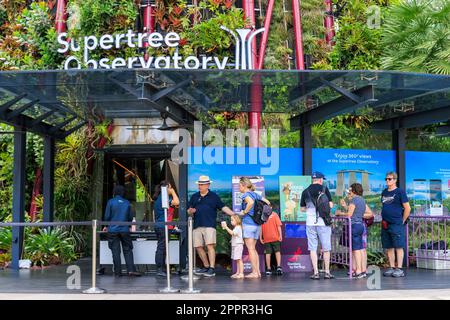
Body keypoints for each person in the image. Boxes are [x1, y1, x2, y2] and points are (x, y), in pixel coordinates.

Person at [188, 175, 235, 277]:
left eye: (202, 184)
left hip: (209, 225)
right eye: (199, 184)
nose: (200, 186)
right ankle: (206, 266)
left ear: (208, 185)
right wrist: (190, 211)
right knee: (198, 247)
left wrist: (233, 214)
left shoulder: (214, 196)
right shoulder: (194, 196)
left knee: (210, 246)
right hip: (197, 225)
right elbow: (189, 210)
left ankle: (212, 268)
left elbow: (223, 207)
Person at [300, 171, 334, 280]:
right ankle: (327, 272)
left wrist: (310, 208)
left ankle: (316, 272)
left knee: (313, 248)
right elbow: (331, 205)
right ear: (320, 179)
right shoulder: (324, 189)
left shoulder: (305, 191)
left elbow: (302, 208)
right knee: (326, 248)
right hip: (323, 222)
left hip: (310, 223)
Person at [336, 183, 373, 279]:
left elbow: (349, 214)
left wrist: (340, 213)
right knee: (360, 249)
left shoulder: (354, 200)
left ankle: (358, 271)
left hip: (354, 226)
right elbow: (357, 212)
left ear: (353, 191)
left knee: (356, 250)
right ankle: (362, 270)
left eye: (350, 190)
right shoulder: (362, 200)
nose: (349, 192)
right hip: (360, 225)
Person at [103, 185, 141, 277]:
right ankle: (131, 270)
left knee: (116, 251)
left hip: (113, 230)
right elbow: (130, 217)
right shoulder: (127, 203)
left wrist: (106, 226)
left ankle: (118, 272)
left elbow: (107, 217)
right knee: (127, 250)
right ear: (123, 193)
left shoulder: (110, 202)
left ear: (114, 192)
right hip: (124, 229)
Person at [238, 177, 271, 279]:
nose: (238, 187)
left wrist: (244, 212)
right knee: (254, 249)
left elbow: (250, 203)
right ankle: (258, 272)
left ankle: (255, 272)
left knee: (250, 249)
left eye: (239, 185)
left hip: (248, 224)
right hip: (257, 225)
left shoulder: (246, 195)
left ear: (244, 185)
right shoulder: (256, 194)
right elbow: (268, 203)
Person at [381, 171, 411, 278]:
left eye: (389, 179)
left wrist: (402, 220)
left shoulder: (400, 192)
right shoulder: (384, 192)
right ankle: (392, 267)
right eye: (386, 179)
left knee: (398, 246)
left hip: (396, 223)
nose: (387, 181)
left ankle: (399, 269)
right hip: (385, 223)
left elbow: (407, 208)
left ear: (395, 180)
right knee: (389, 246)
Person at [152, 181, 179, 277]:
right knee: (161, 247)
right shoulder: (164, 199)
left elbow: (176, 205)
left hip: (161, 226)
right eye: (170, 187)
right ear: (166, 188)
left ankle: (162, 268)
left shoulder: (161, 199)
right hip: (163, 226)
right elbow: (177, 202)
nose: (171, 189)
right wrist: (173, 191)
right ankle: (160, 269)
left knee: (162, 248)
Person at [260, 210, 283, 276]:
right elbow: (279, 225)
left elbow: (260, 228)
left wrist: (261, 237)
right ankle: (278, 267)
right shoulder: (275, 214)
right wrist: (280, 235)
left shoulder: (262, 215)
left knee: (268, 253)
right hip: (275, 236)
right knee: (277, 251)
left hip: (266, 237)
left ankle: (269, 269)